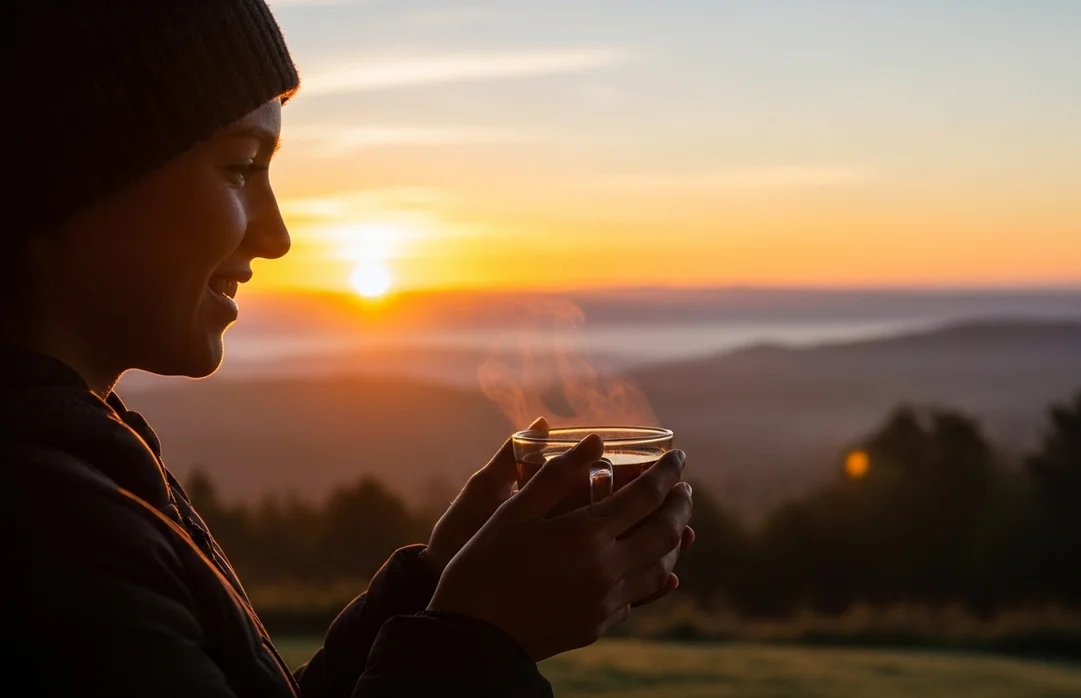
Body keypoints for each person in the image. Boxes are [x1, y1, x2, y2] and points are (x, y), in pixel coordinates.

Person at [3, 2, 695, 696]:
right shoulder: (50, 530)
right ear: (65, 174)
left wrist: (434, 589)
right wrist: (484, 641)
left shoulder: (88, 465)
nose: (276, 236)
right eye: (240, 167)